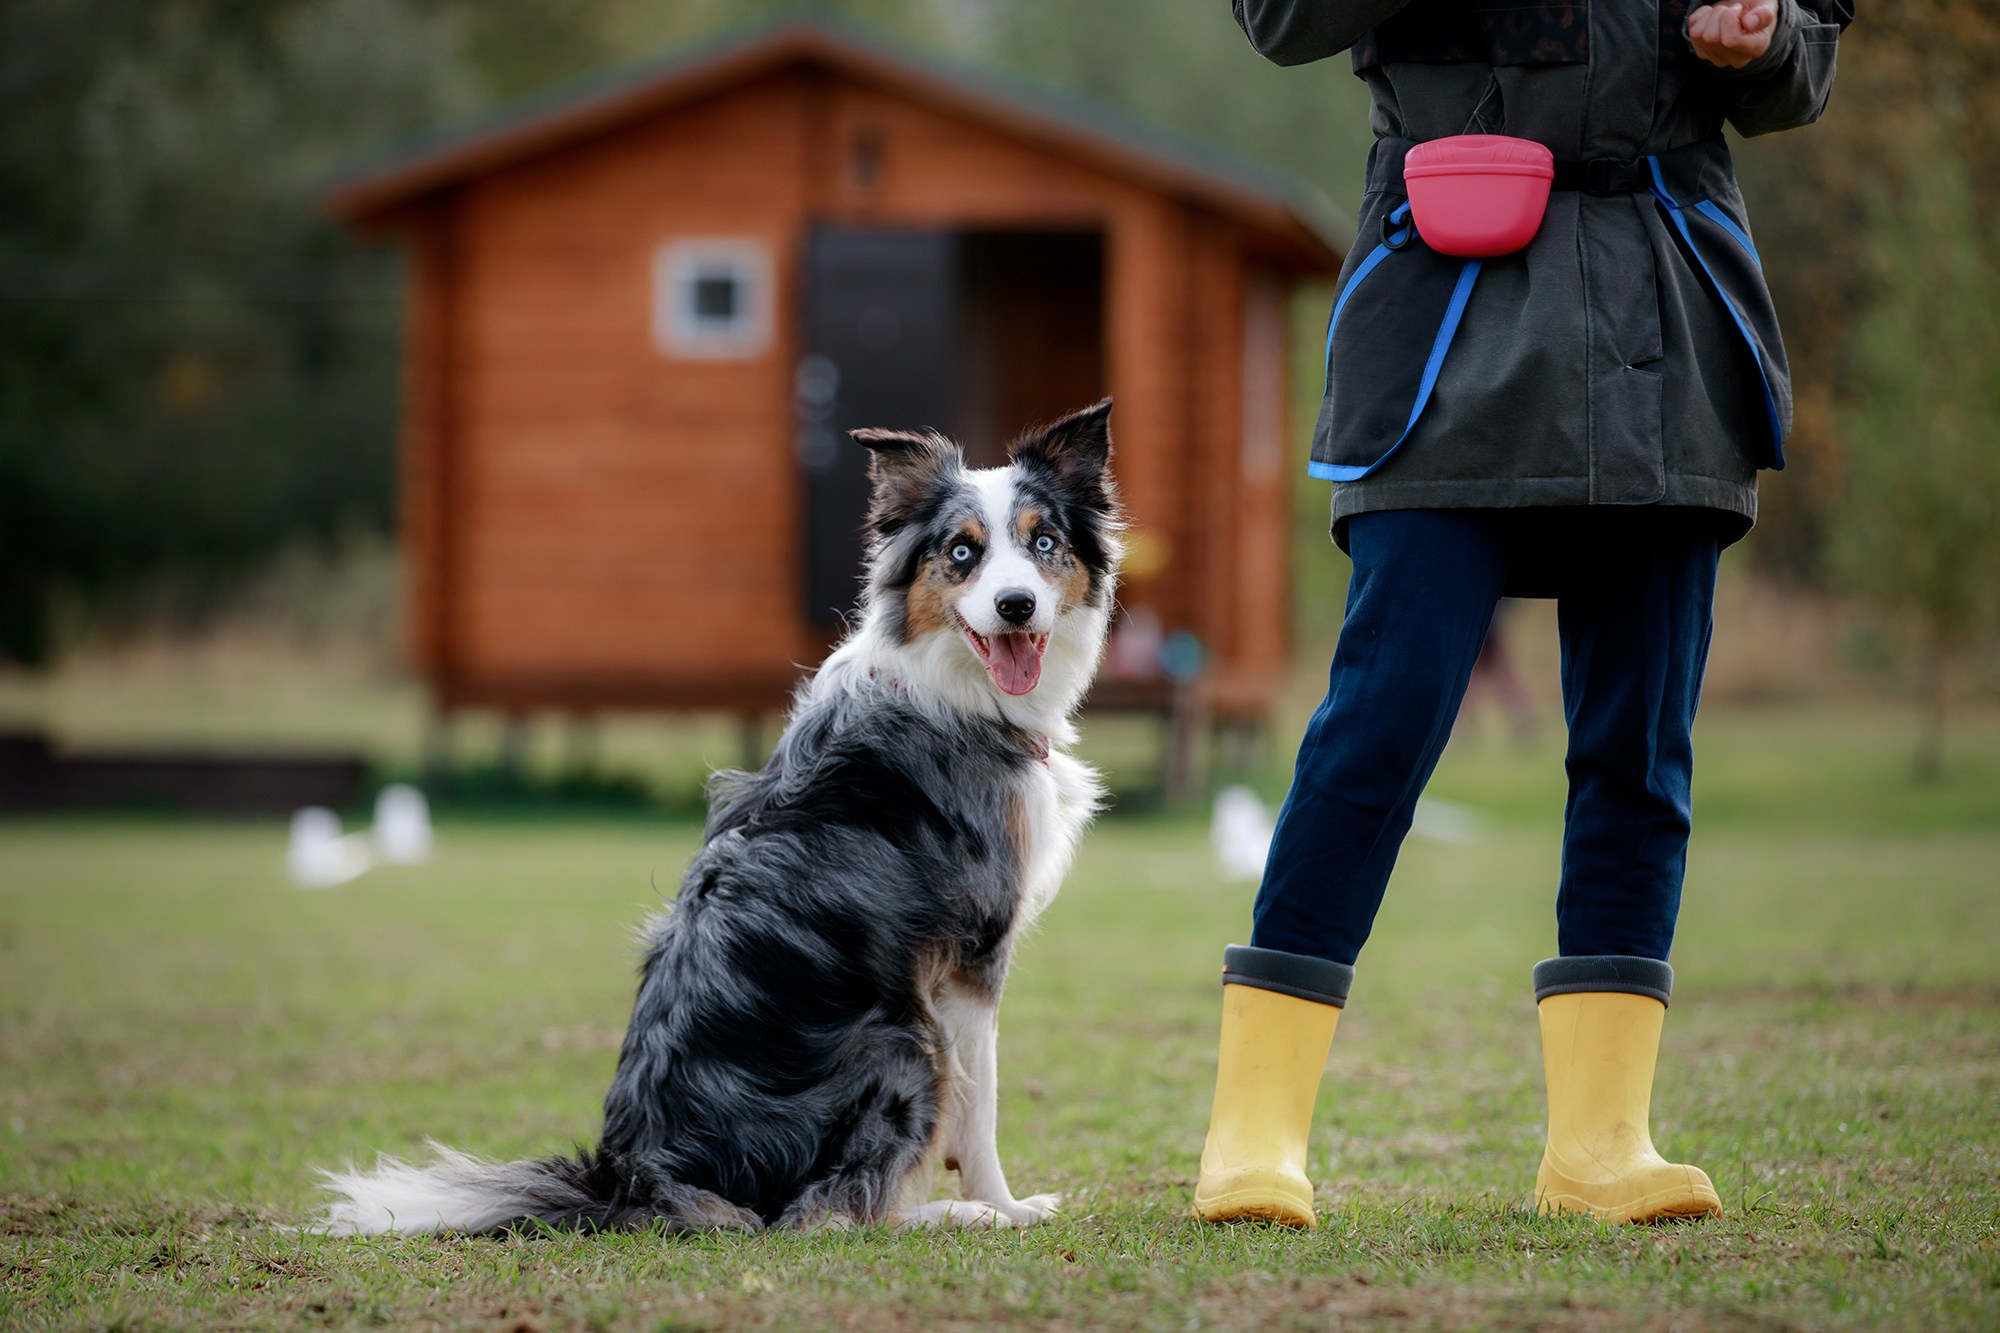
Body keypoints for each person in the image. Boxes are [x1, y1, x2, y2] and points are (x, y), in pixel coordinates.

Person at [1195, 0, 1848, 1228]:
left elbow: (1802, 68)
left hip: (1666, 325)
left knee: (1638, 750)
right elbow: (1278, 20)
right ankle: (1253, 1132)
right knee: (1378, 727)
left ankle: (1600, 1146)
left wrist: (1761, 39)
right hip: (1442, 327)